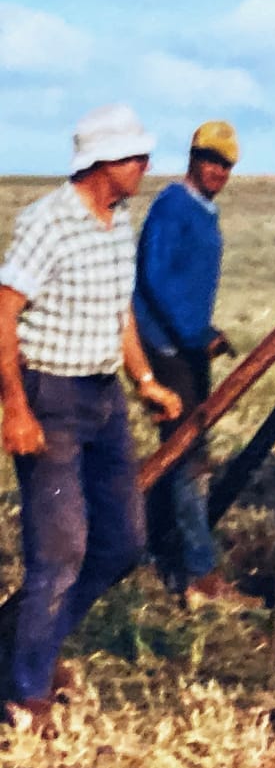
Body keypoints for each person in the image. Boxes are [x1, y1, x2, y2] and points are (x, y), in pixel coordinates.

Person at [0, 105, 182, 728]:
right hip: (49, 396)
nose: (145, 166)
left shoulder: (118, 221)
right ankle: (26, 695)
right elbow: (3, 312)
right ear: (103, 162)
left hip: (104, 399)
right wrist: (15, 408)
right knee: (60, 552)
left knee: (123, 542)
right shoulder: (46, 222)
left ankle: (27, 651)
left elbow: (119, 308)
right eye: (135, 157)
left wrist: (145, 380)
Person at [134, 120, 240, 601]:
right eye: (210, 160)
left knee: (180, 451)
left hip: (187, 344)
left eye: (226, 164)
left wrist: (204, 332)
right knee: (187, 456)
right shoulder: (173, 206)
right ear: (193, 158)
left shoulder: (202, 211)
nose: (218, 171)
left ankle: (150, 548)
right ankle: (198, 571)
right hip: (168, 347)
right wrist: (197, 335)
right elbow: (156, 279)